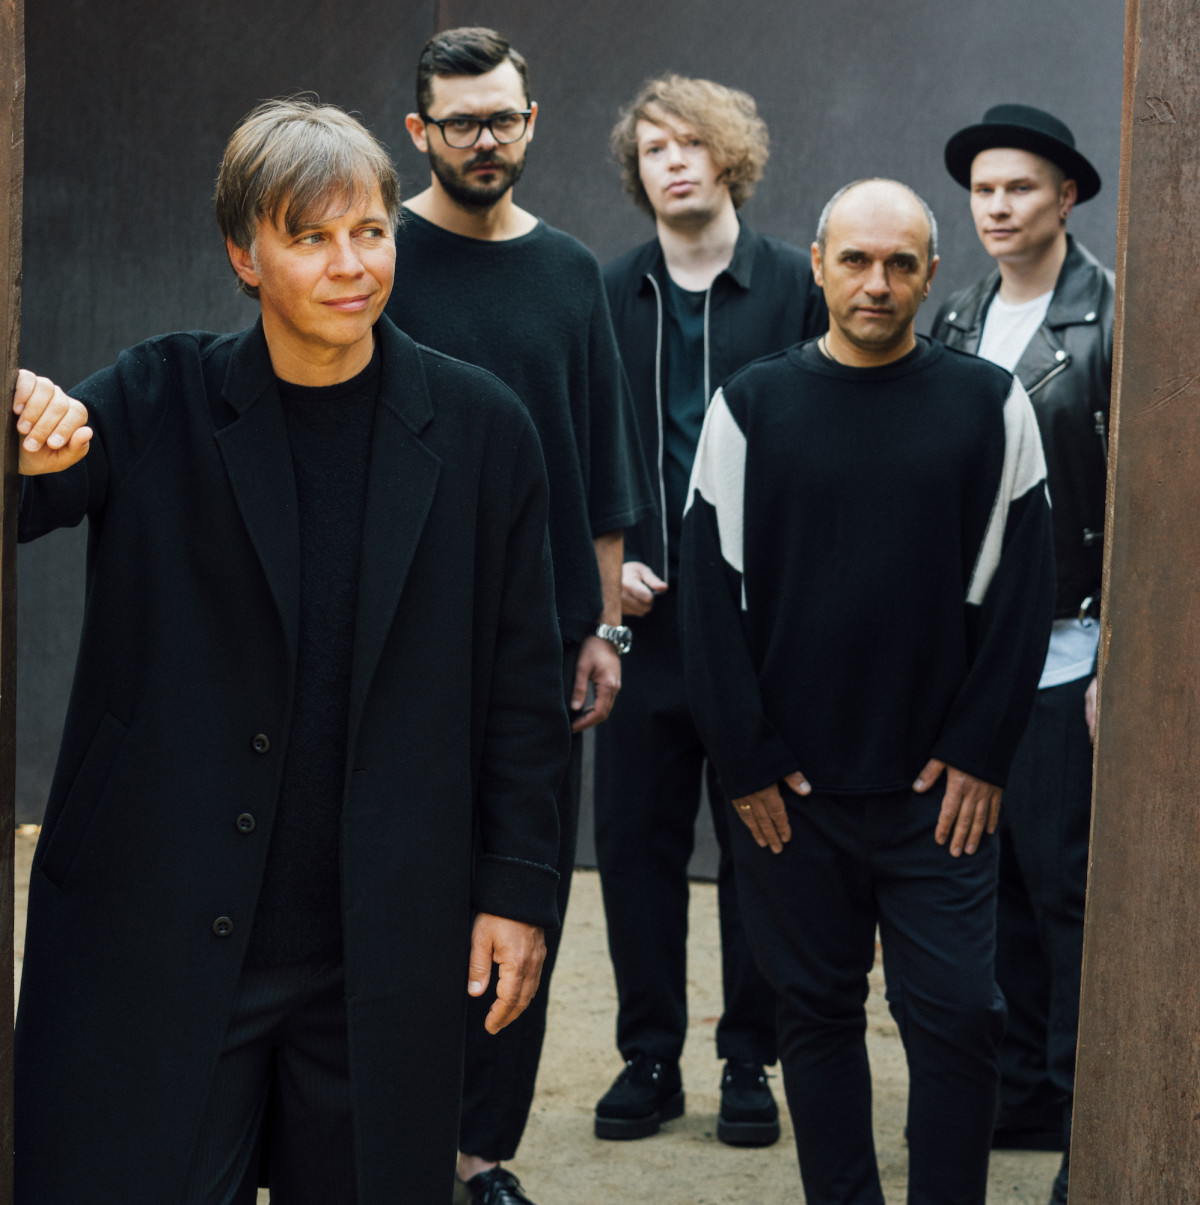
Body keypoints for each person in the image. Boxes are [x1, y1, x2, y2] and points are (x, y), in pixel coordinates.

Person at [11, 97, 570, 1205]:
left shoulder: (483, 429)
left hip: (380, 938)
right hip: (165, 923)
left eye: (369, 231)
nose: (349, 265)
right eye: (309, 237)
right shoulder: (159, 395)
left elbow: (523, 687)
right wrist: (23, 430)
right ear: (244, 255)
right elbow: (39, 492)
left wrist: (517, 887)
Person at [678, 178, 1056, 1205]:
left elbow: (1023, 591)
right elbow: (708, 600)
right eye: (855, 259)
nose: (876, 283)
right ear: (818, 265)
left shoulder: (989, 405)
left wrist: (981, 751)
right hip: (791, 795)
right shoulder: (750, 407)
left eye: (900, 263)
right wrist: (746, 760)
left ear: (932, 274)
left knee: (960, 1016)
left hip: (941, 795)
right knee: (815, 1014)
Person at [385, 27, 655, 1205]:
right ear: (420, 131)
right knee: (404, 889)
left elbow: (602, 460)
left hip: (539, 640)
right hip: (400, 636)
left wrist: (602, 625)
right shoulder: (378, 253)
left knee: (525, 887)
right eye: (461, 123)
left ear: (532, 122)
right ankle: (392, 1141)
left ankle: (479, 1156)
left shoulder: (569, 272)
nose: (484, 141)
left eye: (502, 119)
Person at [593, 73, 826, 1147]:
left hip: (760, 629)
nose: (674, 161)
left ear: (730, 156)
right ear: (637, 172)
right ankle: (649, 1055)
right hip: (640, 624)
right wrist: (605, 564)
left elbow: (832, 440)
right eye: (654, 148)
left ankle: (749, 1056)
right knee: (634, 845)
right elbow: (576, 444)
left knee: (760, 841)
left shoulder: (798, 285)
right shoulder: (606, 292)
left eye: (692, 142)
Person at [933, 103, 1113, 1205]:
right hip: (972, 651)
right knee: (985, 878)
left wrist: (1119, 652)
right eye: (984, 190)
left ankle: (1088, 1110)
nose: (997, 207)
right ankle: (1027, 1091)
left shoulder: (1112, 316)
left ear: (1067, 196)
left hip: (1068, 643)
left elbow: (1143, 497)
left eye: (1020, 188)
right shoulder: (955, 316)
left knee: (1067, 884)